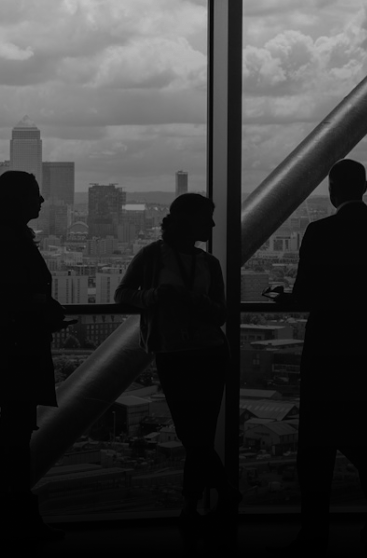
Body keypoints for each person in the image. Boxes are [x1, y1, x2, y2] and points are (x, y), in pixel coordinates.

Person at [268, 159, 367, 558]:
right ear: (365, 187)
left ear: (332, 191)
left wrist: (285, 298)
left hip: (330, 352)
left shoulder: (320, 231)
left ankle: (314, 533)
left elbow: (306, 294)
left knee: (316, 446)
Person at [114, 193, 235, 533]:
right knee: (195, 434)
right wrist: (154, 296)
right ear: (188, 222)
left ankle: (193, 505)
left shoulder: (208, 263)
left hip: (200, 353)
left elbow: (220, 313)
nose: (212, 225)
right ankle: (217, 495)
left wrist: (185, 299)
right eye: (207, 219)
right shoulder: (153, 256)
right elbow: (123, 293)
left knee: (195, 434)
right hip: (186, 353)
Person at [0, 170, 70, 543]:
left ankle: (6, 516)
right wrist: (45, 310)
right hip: (17, 347)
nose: (41, 201)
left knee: (14, 431)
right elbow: (16, 294)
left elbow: (8, 293)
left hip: (8, 344)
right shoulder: (11, 238)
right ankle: (16, 516)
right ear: (18, 200)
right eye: (35, 194)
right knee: (16, 434)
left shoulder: (1, 236)